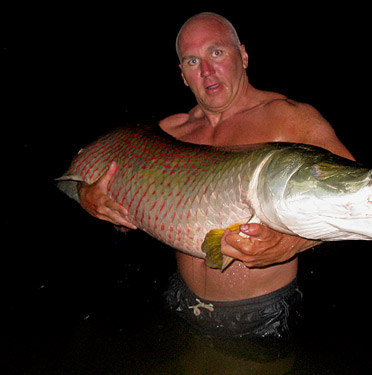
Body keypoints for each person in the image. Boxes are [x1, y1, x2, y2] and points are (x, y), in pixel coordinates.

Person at [77, 12, 354, 339]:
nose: (206, 70)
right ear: (183, 75)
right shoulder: (169, 133)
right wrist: (88, 196)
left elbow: (356, 200)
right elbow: (90, 174)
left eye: (217, 53)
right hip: (181, 297)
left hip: (260, 312)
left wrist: (292, 242)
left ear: (244, 55)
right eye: (192, 61)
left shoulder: (289, 119)